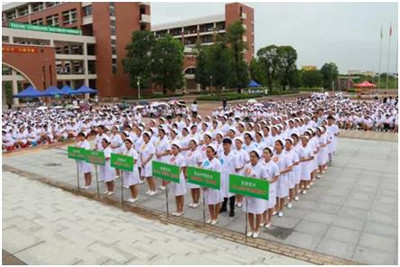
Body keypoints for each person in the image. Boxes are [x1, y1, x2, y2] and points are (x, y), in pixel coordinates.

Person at [243, 150, 267, 238]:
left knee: (257, 212)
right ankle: (251, 228)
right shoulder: (247, 166)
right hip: (248, 192)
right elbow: (243, 177)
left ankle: (257, 229)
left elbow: (265, 180)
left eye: (253, 157)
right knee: (250, 211)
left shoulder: (262, 167)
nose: (252, 158)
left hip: (258, 194)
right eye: (251, 156)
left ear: (258, 158)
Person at [201, 144, 223, 225]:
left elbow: (218, 175)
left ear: (214, 152)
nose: (207, 153)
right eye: (207, 152)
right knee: (209, 201)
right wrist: (202, 185)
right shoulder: (204, 161)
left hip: (214, 185)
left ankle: (215, 217)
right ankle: (211, 216)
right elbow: (201, 173)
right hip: (206, 186)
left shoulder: (217, 162)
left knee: (216, 201)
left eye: (209, 152)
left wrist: (209, 184)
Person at [261, 147, 280, 228]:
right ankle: (263, 219)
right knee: (263, 205)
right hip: (262, 187)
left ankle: (269, 220)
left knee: (270, 205)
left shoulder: (274, 165)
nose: (264, 154)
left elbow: (276, 177)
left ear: (271, 154)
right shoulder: (261, 163)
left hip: (270, 187)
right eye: (264, 153)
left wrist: (269, 182)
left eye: (266, 153)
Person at [167, 143, 187, 216]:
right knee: (176, 194)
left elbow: (181, 169)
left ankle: (181, 209)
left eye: (174, 148)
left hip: (179, 178)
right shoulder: (171, 157)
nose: (173, 150)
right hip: (173, 178)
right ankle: (177, 208)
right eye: (172, 148)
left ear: (178, 149)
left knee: (180, 194)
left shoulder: (181, 157)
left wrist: (173, 176)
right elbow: (169, 167)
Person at [218, 138, 236, 217]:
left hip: (230, 176)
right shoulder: (221, 154)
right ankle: (224, 206)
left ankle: (232, 209)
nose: (225, 146)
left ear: (230, 145)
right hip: (223, 176)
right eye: (224, 145)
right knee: (223, 192)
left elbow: (237, 167)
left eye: (226, 145)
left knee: (231, 193)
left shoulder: (234, 156)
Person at [122, 137, 140, 203]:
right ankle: (132, 196)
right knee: (129, 183)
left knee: (133, 183)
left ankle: (135, 196)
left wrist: (127, 162)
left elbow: (135, 161)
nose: (126, 145)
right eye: (125, 143)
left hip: (133, 170)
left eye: (127, 143)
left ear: (131, 144)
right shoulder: (125, 151)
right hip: (127, 169)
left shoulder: (134, 151)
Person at [186, 139, 202, 208]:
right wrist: (186, 172)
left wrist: (198, 172)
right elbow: (186, 163)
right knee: (191, 187)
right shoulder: (188, 152)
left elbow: (200, 163)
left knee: (196, 187)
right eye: (190, 144)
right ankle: (193, 200)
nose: (191, 145)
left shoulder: (198, 153)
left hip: (196, 171)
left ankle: (197, 201)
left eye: (192, 144)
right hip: (190, 171)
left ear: (195, 145)